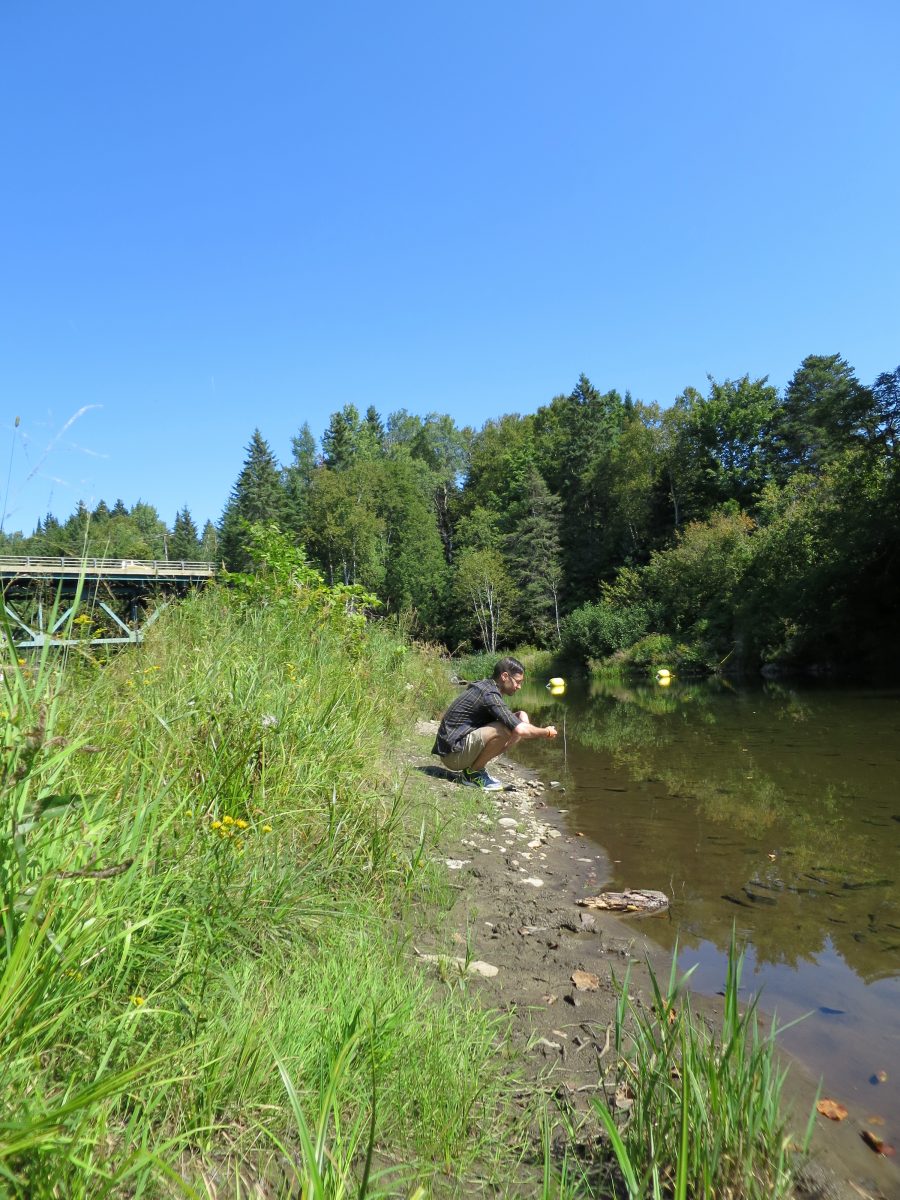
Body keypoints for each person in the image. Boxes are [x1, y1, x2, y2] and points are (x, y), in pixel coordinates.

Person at [432, 656, 558, 790]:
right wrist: (546, 732)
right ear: (505, 676)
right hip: (453, 756)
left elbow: (515, 722)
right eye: (518, 682)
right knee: (506, 728)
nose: (519, 687)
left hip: (454, 750)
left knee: (517, 719)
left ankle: (476, 769)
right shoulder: (489, 694)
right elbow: (520, 730)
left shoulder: (487, 687)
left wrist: (522, 717)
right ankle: (473, 774)